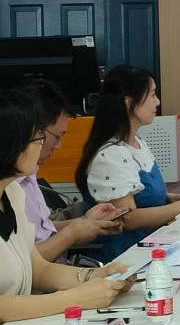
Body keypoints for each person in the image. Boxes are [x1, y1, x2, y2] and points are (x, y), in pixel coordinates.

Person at [0, 89, 135, 323]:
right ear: (12, 144)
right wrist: (74, 299)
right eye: (38, 137)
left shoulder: (12, 194)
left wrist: (97, 275)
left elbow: (39, 269)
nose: (42, 145)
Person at [75, 65, 180, 262]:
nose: (157, 102)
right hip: (125, 257)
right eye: (152, 95)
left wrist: (169, 198)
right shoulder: (110, 155)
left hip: (153, 247)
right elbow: (129, 218)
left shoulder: (137, 143)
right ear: (129, 103)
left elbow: (140, 195)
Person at [15, 79, 123, 262]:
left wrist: (86, 222)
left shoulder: (29, 174)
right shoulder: (11, 185)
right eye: (56, 137)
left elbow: (43, 232)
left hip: (58, 272)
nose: (57, 146)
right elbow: (25, 262)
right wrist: (73, 233)